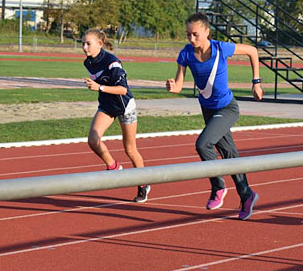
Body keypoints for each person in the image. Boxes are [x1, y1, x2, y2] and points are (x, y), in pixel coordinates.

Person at [166, 12, 264, 220]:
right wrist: (173, 87)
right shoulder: (185, 54)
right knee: (229, 154)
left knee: (203, 144)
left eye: (195, 35)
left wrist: (256, 82)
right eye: (188, 35)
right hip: (207, 109)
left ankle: (218, 186)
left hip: (227, 108)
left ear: (207, 32)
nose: (191, 39)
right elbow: (179, 85)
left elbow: (253, 51)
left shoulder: (221, 48)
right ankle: (247, 195)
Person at [82, 28, 150, 203]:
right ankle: (113, 167)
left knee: (130, 149)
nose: (84, 47)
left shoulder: (113, 63)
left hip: (125, 107)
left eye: (88, 43)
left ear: (99, 44)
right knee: (93, 139)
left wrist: (100, 87)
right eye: (82, 43)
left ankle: (143, 184)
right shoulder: (88, 62)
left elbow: (123, 89)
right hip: (107, 106)